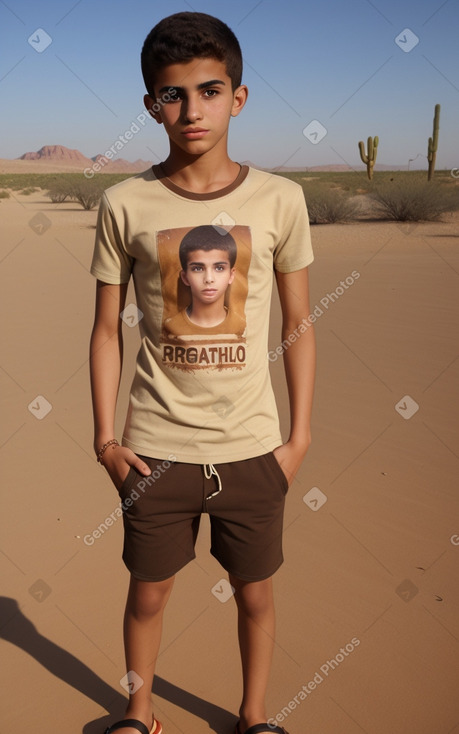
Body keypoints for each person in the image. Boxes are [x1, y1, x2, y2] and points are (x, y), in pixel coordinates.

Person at [89, 11, 315, 734]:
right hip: (153, 451)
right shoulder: (124, 203)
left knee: (254, 594)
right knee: (147, 595)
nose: (191, 110)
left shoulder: (280, 199)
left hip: (254, 449)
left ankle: (253, 716)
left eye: (209, 90)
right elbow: (103, 329)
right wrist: (105, 442)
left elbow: (298, 325)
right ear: (151, 105)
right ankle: (139, 708)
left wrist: (298, 439)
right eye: (171, 94)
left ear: (237, 98)